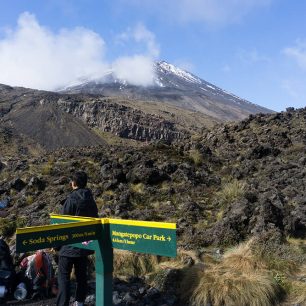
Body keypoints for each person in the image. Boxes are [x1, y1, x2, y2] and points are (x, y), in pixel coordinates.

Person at [56, 171, 98, 306]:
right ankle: (79, 302)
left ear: (73, 183)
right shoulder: (90, 200)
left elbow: (62, 225)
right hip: (84, 245)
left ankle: (63, 303)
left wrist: (57, 245)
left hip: (68, 246)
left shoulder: (70, 199)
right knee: (81, 276)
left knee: (63, 277)